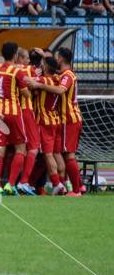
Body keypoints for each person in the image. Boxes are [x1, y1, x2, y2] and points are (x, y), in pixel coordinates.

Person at [32, 47, 84, 195]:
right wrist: (44, 56)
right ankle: (67, 186)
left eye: (56, 57)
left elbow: (61, 90)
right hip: (63, 120)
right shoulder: (63, 74)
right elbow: (52, 70)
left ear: (60, 58)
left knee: (68, 155)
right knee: (58, 153)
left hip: (69, 119)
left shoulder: (67, 75)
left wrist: (39, 85)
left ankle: (76, 189)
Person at [0, 42, 30, 195]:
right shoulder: (17, 71)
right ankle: (11, 184)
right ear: (15, 55)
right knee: (21, 148)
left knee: (0, 150)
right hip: (13, 113)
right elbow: (26, 94)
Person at [31, 56, 67, 195]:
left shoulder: (43, 80)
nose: (40, 67)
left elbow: (27, 81)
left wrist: (33, 74)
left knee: (47, 154)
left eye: (41, 65)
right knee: (55, 154)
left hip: (44, 122)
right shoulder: (57, 79)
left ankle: (57, 184)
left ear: (45, 67)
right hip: (55, 120)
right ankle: (62, 183)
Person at [14, 48, 40, 195]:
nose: (29, 61)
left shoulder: (9, 69)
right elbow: (35, 87)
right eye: (27, 58)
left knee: (15, 150)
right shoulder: (29, 70)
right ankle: (23, 182)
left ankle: (6, 183)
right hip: (26, 110)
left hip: (13, 111)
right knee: (34, 147)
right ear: (20, 58)